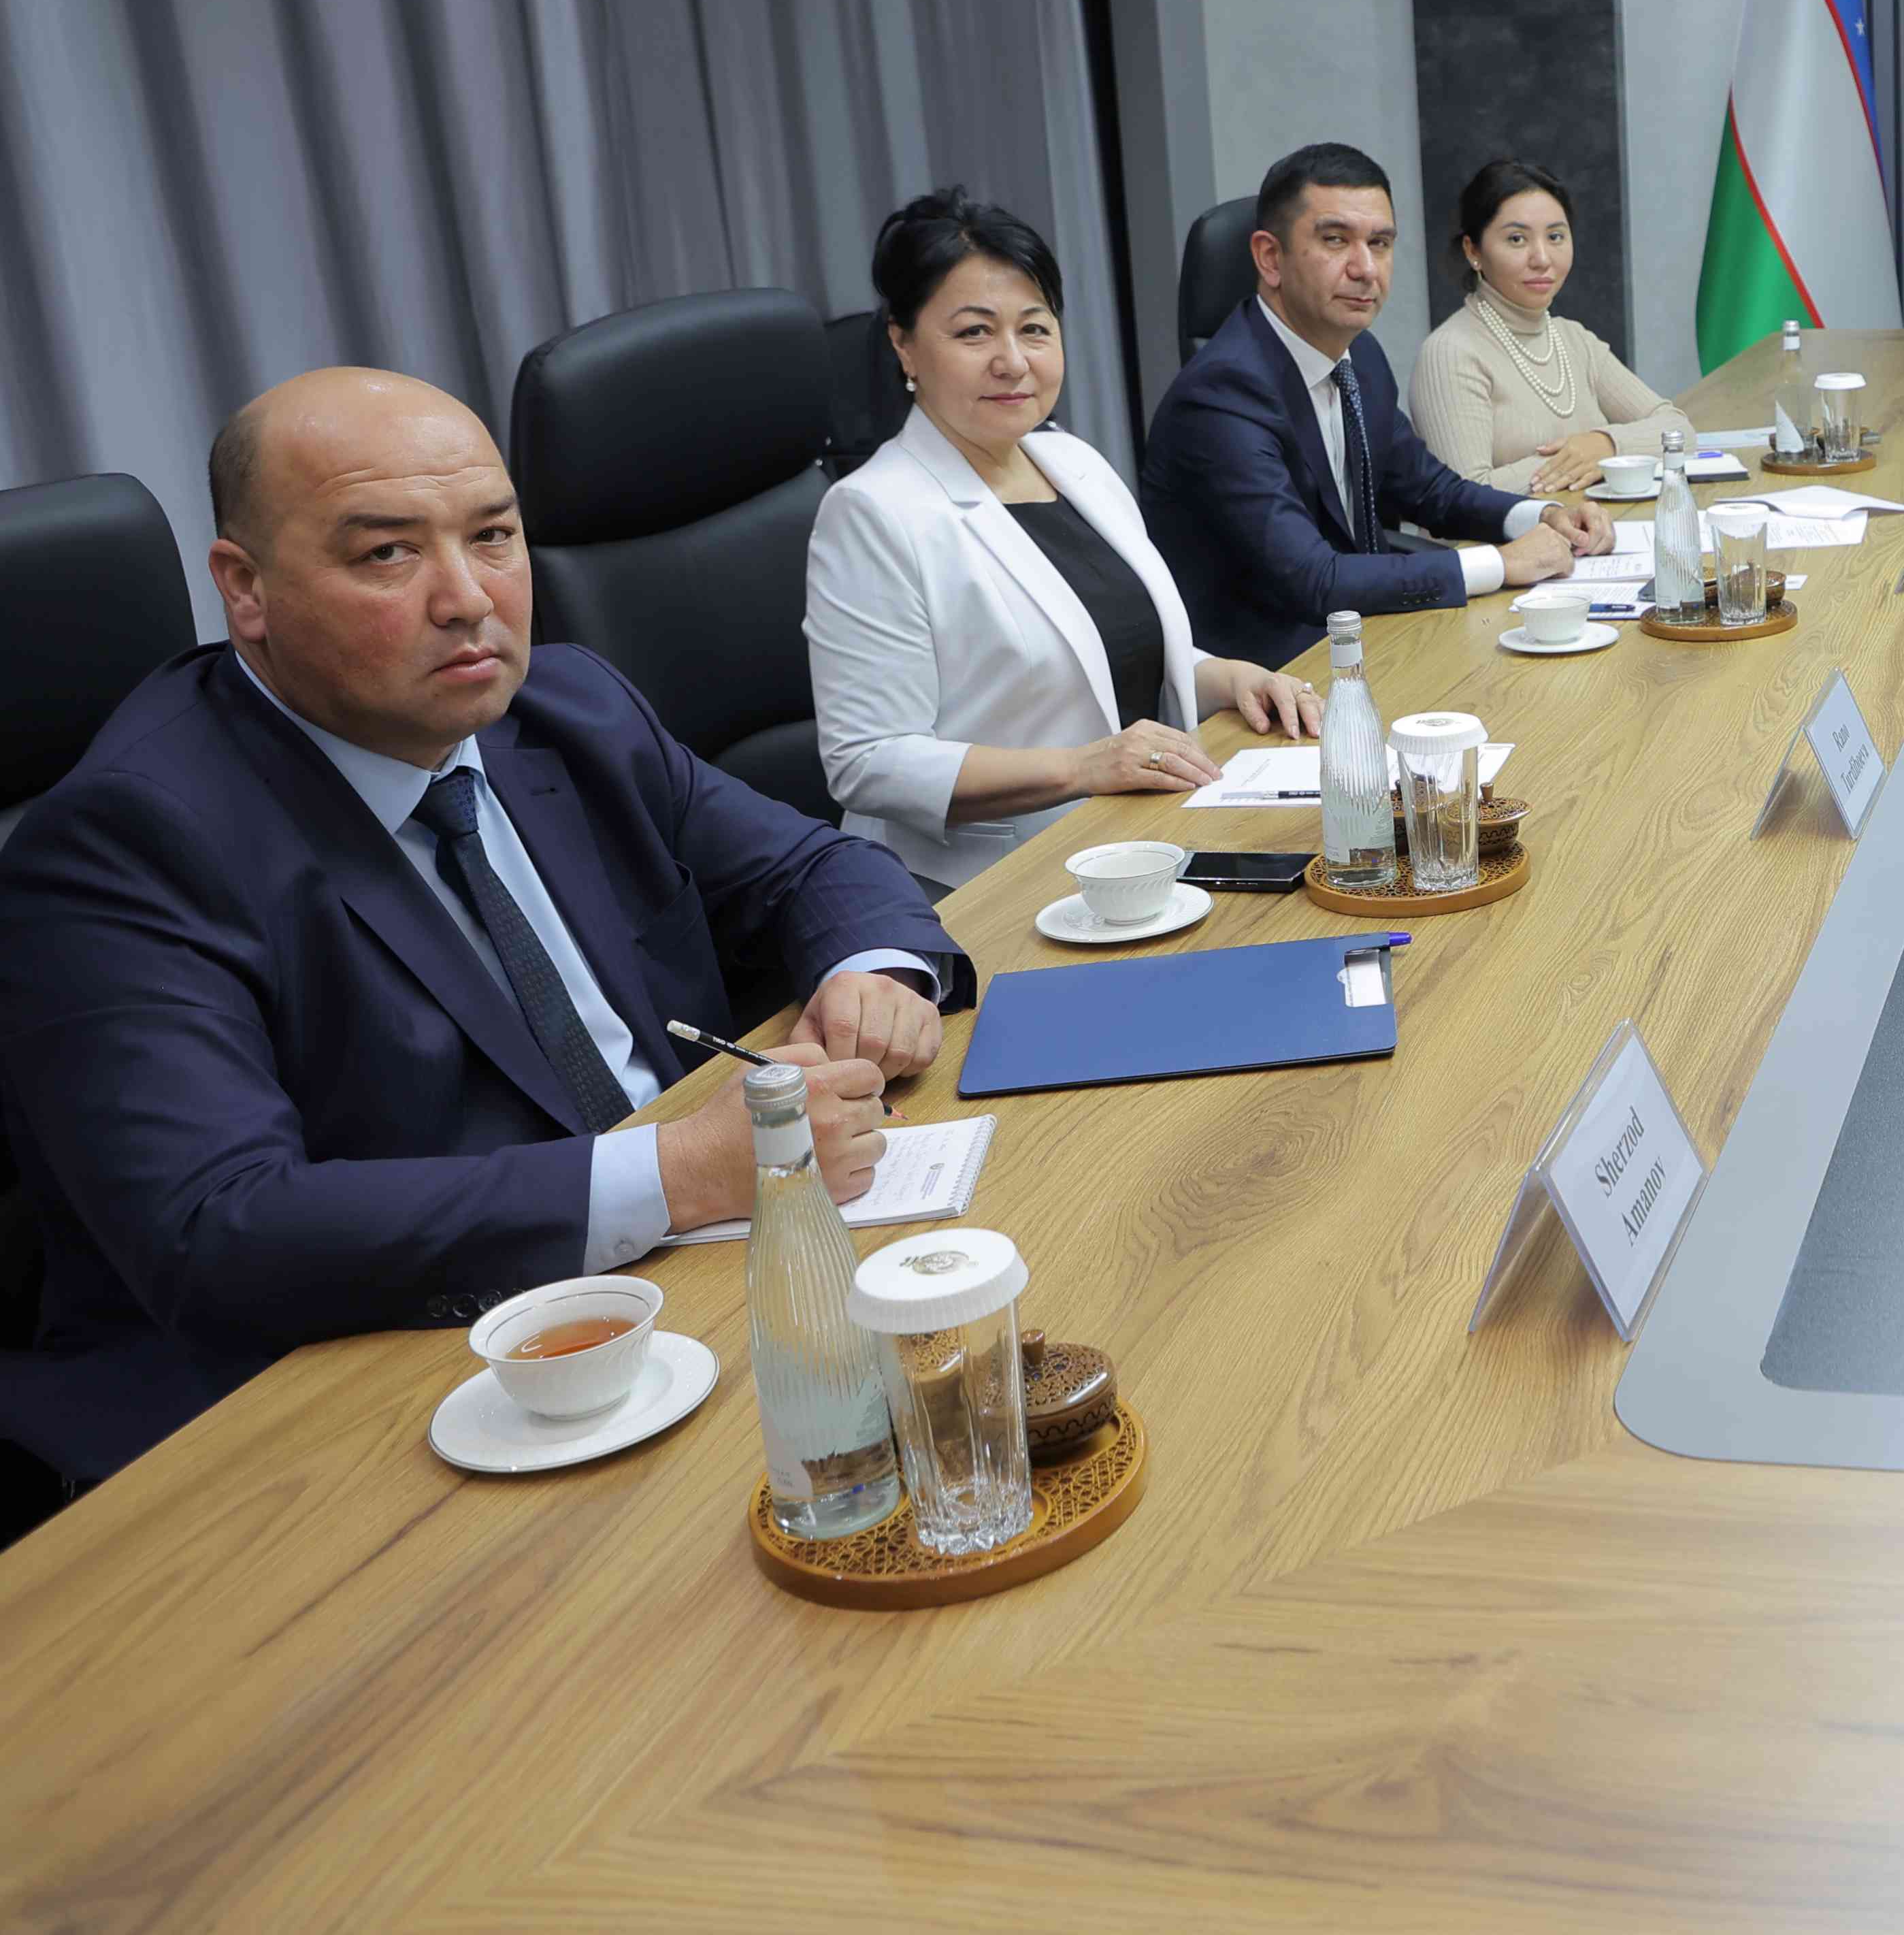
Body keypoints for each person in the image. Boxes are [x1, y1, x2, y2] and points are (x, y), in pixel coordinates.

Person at [0, 370, 969, 1482]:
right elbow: (222, 1225)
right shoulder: (127, 839)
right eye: (387, 555)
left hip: (686, 1284)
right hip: (359, 1394)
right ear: (247, 588)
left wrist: (872, 970)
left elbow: (813, 863)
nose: (468, 598)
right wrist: (678, 1173)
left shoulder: (569, 709)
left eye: (494, 536)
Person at [806, 189, 1324, 891]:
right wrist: (1083, 767)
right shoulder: (872, 512)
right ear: (904, 345)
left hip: (1136, 842)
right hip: (986, 882)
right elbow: (868, 761)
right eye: (974, 333)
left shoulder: (1071, 461)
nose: (1013, 361)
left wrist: (1229, 677)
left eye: (1035, 328)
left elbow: (1107, 656)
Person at [1141, 142, 1618, 668]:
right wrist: (1501, 564)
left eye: (1381, 243)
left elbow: (1428, 489)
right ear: (1270, 258)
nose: (1366, 268)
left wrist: (1542, 516)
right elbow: (1313, 578)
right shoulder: (1222, 394)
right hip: (1267, 681)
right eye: (1336, 241)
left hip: (1367, 643)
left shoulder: (1357, 354)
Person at [1408, 159, 1684, 491]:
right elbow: (1463, 494)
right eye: (1516, 240)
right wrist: (1579, 459)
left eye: (1555, 236)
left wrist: (1606, 445)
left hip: (1598, 536)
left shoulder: (1574, 340)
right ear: (1473, 251)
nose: (1542, 258)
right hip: (1506, 544)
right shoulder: (1451, 352)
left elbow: (1678, 432)